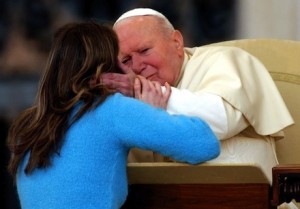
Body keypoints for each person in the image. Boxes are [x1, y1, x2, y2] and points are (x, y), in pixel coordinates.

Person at [6, 21, 220, 209]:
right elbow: (205, 144)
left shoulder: (29, 123)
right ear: (108, 66)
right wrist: (152, 110)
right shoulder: (110, 109)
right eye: (123, 61)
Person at [101, 8, 294, 182]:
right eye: (126, 60)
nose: (136, 66)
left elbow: (221, 118)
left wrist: (153, 97)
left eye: (144, 51)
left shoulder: (223, 60)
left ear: (176, 42)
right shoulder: (124, 95)